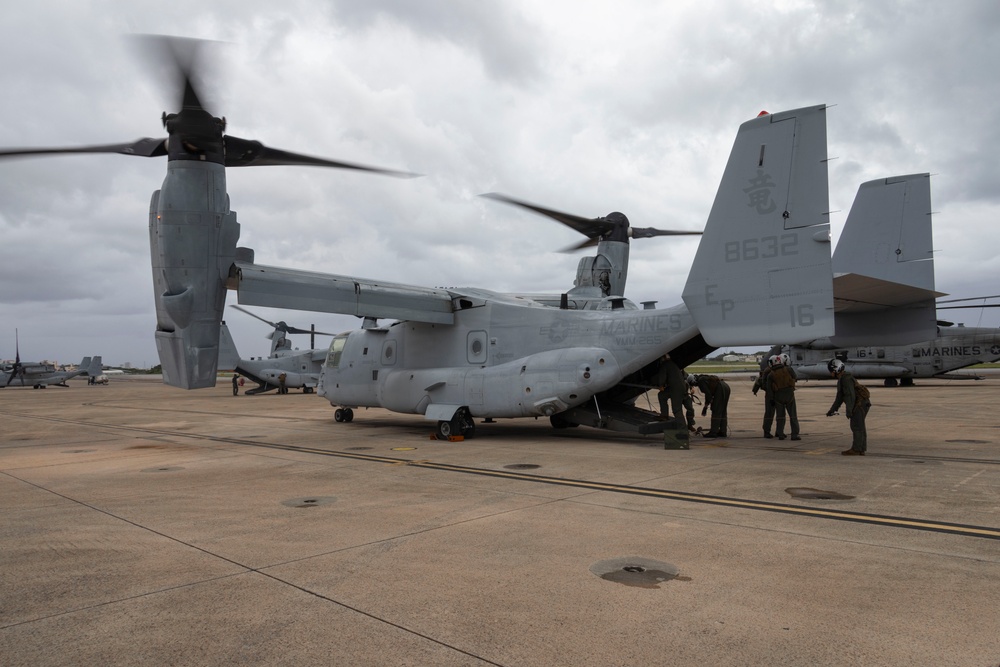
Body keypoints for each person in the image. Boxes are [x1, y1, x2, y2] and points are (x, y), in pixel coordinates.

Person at [826, 359, 871, 455]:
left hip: (859, 404)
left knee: (856, 426)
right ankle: (861, 449)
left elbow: (850, 395)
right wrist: (832, 410)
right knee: (860, 426)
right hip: (862, 403)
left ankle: (857, 449)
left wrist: (849, 411)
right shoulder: (843, 379)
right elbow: (839, 397)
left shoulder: (846, 379)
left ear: (836, 370)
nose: (830, 373)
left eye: (831, 371)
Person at [654, 355, 696, 432]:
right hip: (682, 388)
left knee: (677, 409)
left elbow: (662, 375)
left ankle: (683, 430)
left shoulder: (665, 364)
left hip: (676, 389)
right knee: (661, 395)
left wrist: (661, 385)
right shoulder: (674, 364)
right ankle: (664, 415)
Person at [765, 354, 800, 441]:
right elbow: (795, 377)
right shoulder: (788, 369)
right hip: (790, 396)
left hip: (778, 397)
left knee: (780, 416)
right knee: (793, 416)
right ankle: (794, 435)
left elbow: (769, 389)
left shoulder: (771, 374)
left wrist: (771, 399)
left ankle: (780, 434)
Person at [688, 373, 730, 438]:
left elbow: (708, 394)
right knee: (723, 411)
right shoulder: (703, 378)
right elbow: (708, 393)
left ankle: (713, 432)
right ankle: (723, 431)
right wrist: (706, 405)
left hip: (720, 389)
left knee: (716, 411)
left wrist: (709, 405)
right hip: (725, 386)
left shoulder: (701, 381)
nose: (695, 386)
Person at [752, 360, 775, 438]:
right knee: (770, 413)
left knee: (771, 413)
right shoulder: (770, 371)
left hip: (771, 394)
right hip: (772, 394)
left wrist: (755, 390)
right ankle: (768, 431)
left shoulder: (768, 370)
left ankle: (773, 431)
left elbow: (759, 381)